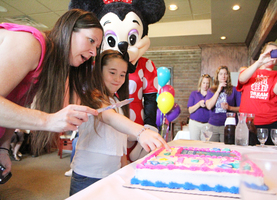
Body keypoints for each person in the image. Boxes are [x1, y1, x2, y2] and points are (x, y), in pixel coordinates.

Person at [0, 9, 103, 177]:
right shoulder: (31, 44)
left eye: (97, 47)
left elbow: (15, 104)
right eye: (91, 41)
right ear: (69, 30)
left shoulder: (47, 67)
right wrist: (48, 120)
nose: (94, 52)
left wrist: (3, 148)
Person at [69, 50, 170, 196]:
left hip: (111, 174)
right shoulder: (91, 97)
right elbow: (109, 117)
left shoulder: (116, 102)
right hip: (88, 174)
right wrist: (141, 132)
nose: (118, 79)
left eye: (122, 74)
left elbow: (120, 140)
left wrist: (125, 169)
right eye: (112, 72)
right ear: (99, 71)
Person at [237, 42, 277, 145]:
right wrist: (259, 62)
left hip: (273, 123)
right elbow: (242, 79)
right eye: (269, 52)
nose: (271, 56)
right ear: (263, 53)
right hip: (248, 124)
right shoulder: (251, 71)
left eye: (275, 53)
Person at [205, 66, 241, 142]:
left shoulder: (234, 90)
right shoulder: (211, 90)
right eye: (221, 74)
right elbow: (209, 106)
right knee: (211, 150)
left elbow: (241, 108)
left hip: (228, 126)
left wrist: (229, 108)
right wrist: (218, 90)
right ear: (217, 76)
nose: (223, 76)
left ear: (228, 76)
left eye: (225, 74)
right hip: (213, 125)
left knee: (226, 150)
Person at [187, 74, 211, 140]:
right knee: (194, 145)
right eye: (204, 83)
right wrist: (199, 104)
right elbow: (190, 110)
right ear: (200, 83)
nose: (205, 85)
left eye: (207, 83)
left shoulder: (212, 95)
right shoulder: (194, 94)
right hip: (195, 124)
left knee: (206, 145)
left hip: (207, 124)